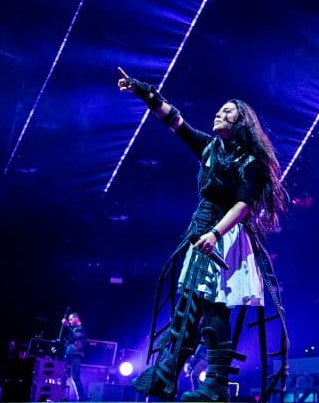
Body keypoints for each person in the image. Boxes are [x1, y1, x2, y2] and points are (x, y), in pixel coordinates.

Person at [117, 68, 288, 402]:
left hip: (225, 236)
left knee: (215, 310)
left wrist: (215, 233)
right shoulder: (210, 148)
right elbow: (174, 121)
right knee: (189, 306)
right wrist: (142, 91)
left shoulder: (249, 161)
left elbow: (243, 206)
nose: (218, 114)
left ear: (240, 123)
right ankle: (168, 373)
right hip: (200, 233)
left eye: (227, 112)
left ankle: (215, 386)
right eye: (219, 110)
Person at [60, 312, 87, 401]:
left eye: (71, 319)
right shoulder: (73, 328)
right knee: (62, 374)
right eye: (69, 320)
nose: (70, 321)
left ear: (76, 318)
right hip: (69, 354)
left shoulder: (81, 328)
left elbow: (75, 336)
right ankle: (60, 395)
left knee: (75, 376)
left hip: (76, 354)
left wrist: (67, 326)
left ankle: (81, 398)